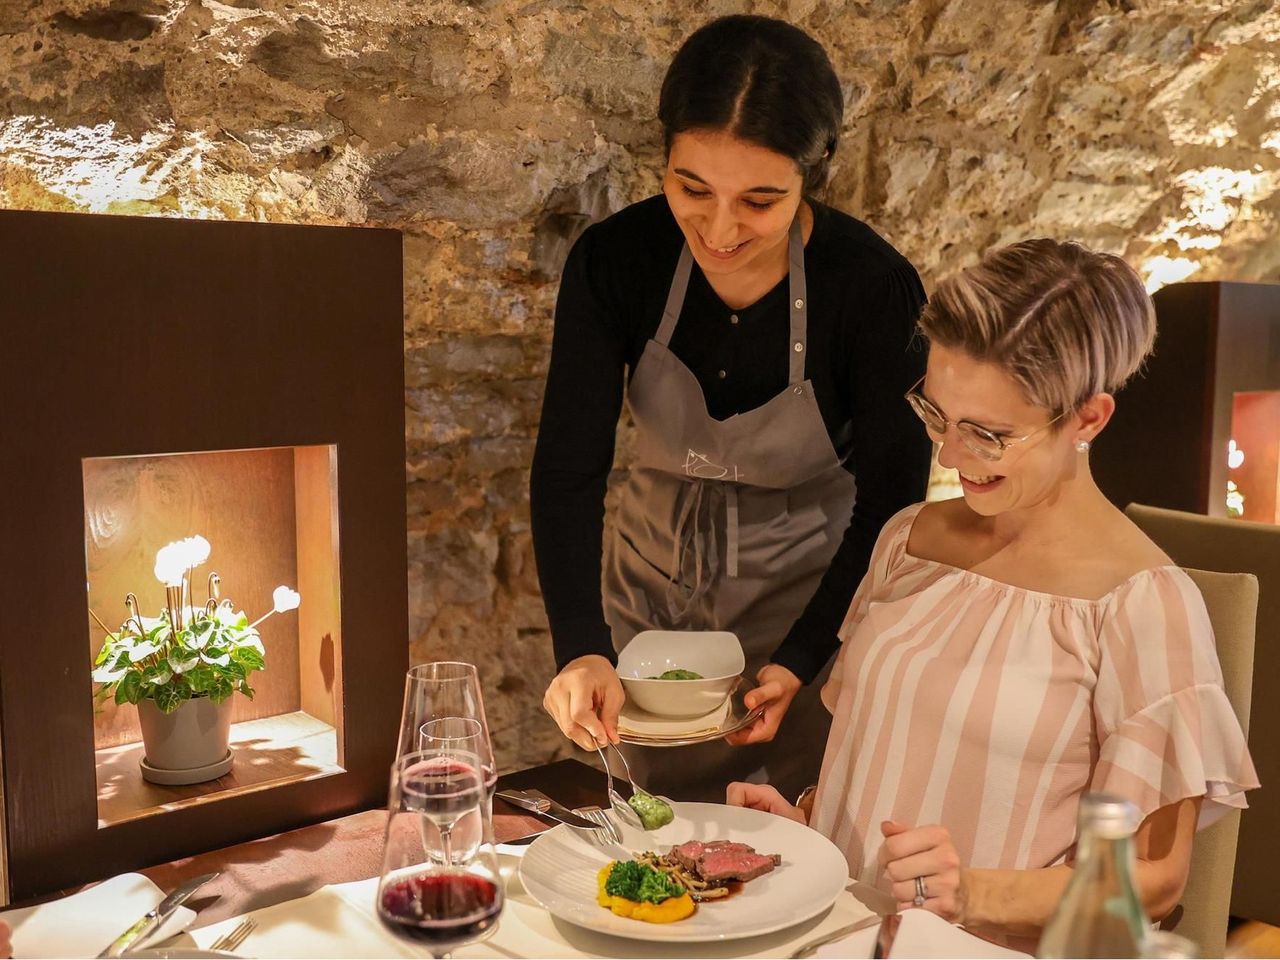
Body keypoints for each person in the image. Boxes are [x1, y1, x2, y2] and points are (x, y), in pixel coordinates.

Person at [728, 237, 1259, 946]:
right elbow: (886, 752)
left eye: (989, 434)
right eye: (938, 415)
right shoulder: (909, 540)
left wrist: (973, 890)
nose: (949, 455)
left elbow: (1156, 875)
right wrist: (810, 825)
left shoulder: (1141, 606)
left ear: (1089, 419)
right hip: (841, 930)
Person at [532, 14, 932, 802]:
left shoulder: (871, 287)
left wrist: (804, 655)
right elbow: (568, 469)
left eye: (759, 200)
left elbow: (894, 500)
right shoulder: (616, 261)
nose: (719, 228)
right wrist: (582, 646)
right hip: (645, 607)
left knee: (795, 842)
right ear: (666, 157)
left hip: (809, 609)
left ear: (812, 175)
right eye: (691, 188)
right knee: (650, 840)